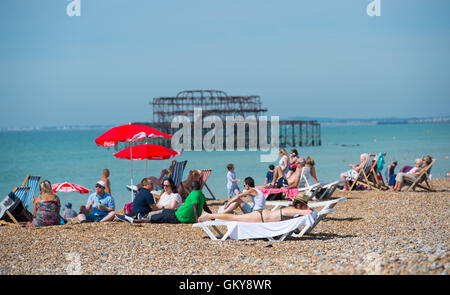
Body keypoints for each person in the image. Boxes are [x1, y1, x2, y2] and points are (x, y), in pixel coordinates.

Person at [120, 180, 211, 224]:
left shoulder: (193, 195)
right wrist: (213, 217)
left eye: (166, 185)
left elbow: (195, 207)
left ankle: (138, 221)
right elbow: (206, 208)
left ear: (191, 188)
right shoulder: (201, 194)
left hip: (181, 217)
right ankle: (137, 218)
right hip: (178, 213)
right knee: (164, 212)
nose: (164, 187)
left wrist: (197, 221)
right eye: (163, 185)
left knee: (160, 216)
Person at [198, 192, 314, 223]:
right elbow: (307, 212)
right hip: (260, 217)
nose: (306, 206)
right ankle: (209, 215)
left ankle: (210, 215)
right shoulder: (293, 210)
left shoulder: (292, 209)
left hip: (261, 215)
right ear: (300, 204)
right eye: (305, 204)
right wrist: (309, 209)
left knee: (236, 218)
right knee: (235, 218)